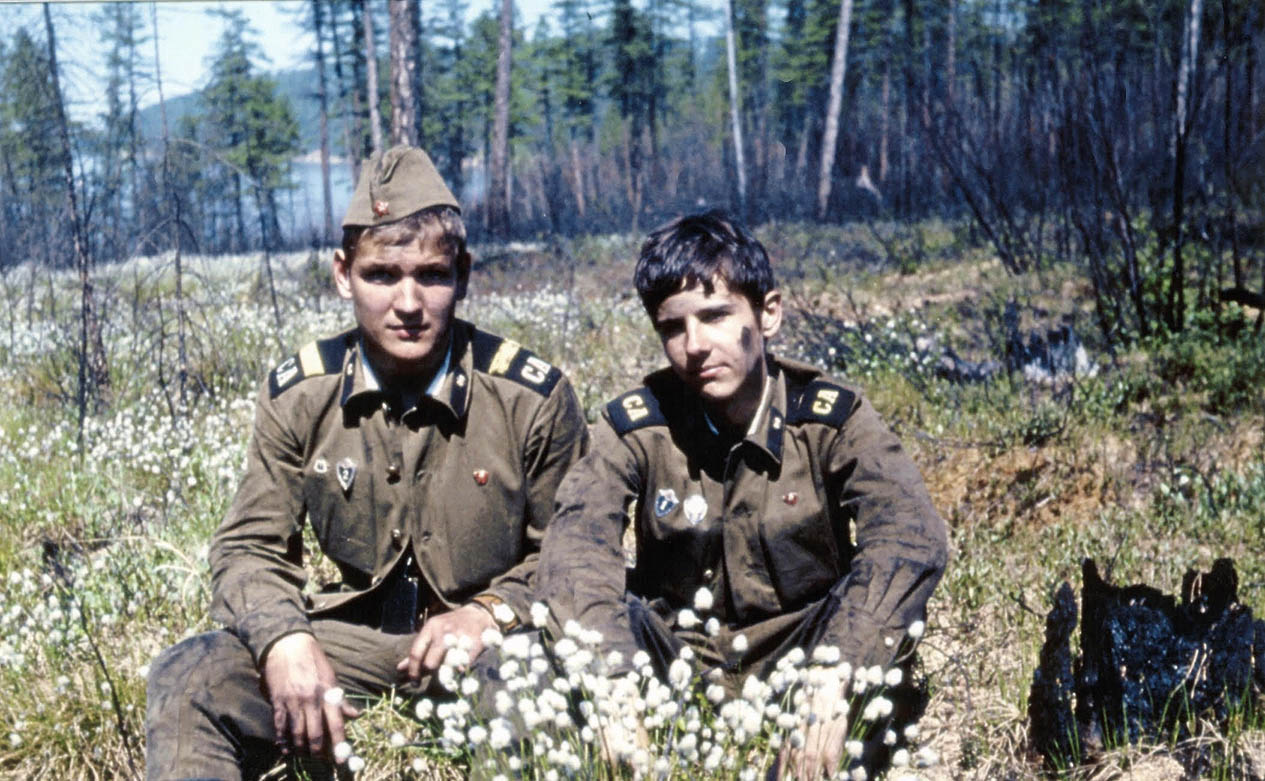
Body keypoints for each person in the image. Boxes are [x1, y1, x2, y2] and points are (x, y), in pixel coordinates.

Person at [145, 146, 588, 780]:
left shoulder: (530, 398)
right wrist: (284, 639)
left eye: (431, 275)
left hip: (490, 648)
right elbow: (247, 547)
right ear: (342, 274)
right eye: (381, 275)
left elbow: (575, 557)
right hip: (351, 645)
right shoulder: (302, 394)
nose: (408, 302)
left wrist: (489, 612)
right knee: (192, 674)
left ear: (463, 274)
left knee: (531, 689)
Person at [536, 210, 947, 779]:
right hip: (673, 661)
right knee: (536, 662)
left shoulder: (831, 420)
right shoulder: (635, 427)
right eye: (672, 328)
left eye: (715, 316)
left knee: (875, 652)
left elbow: (910, 537)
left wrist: (840, 667)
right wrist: (610, 679)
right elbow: (574, 550)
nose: (695, 346)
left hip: (809, 653)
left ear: (768, 314)